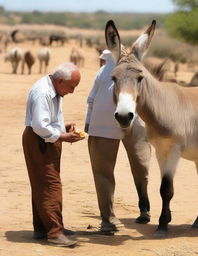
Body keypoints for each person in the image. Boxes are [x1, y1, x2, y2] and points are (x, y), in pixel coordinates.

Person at [84, 50, 151, 233]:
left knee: (140, 166)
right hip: (106, 124)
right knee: (105, 172)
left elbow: (91, 99)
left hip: (126, 122)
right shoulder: (106, 71)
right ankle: (108, 218)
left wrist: (89, 123)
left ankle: (143, 205)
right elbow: (92, 98)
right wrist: (89, 122)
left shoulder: (130, 70)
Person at [22, 62, 84, 247]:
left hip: (45, 139)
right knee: (50, 185)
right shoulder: (43, 92)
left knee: (42, 184)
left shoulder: (54, 90)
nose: (72, 91)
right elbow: (40, 126)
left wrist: (62, 128)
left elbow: (47, 121)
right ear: (59, 80)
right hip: (39, 141)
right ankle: (55, 233)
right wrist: (63, 136)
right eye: (71, 87)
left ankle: (42, 228)